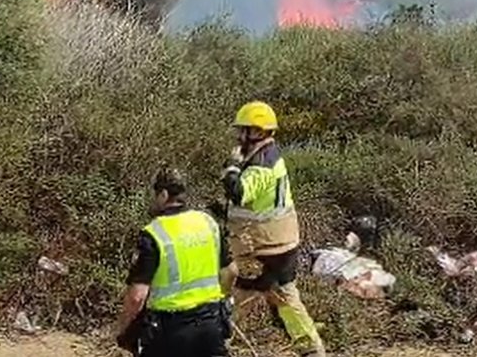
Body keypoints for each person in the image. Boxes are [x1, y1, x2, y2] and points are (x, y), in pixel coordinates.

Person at [220, 101, 325, 357]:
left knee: (241, 295)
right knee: (283, 297)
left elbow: (241, 193)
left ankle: (217, 344)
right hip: (278, 243)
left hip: (265, 246)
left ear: (257, 131)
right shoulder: (265, 156)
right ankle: (311, 349)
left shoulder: (263, 162)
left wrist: (231, 168)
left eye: (243, 130)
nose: (239, 136)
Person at [114, 168, 233, 357]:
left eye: (155, 194)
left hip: (170, 331)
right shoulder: (208, 222)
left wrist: (122, 328)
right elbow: (231, 272)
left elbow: (137, 296)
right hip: (211, 325)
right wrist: (221, 300)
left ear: (163, 194)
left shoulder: (154, 233)